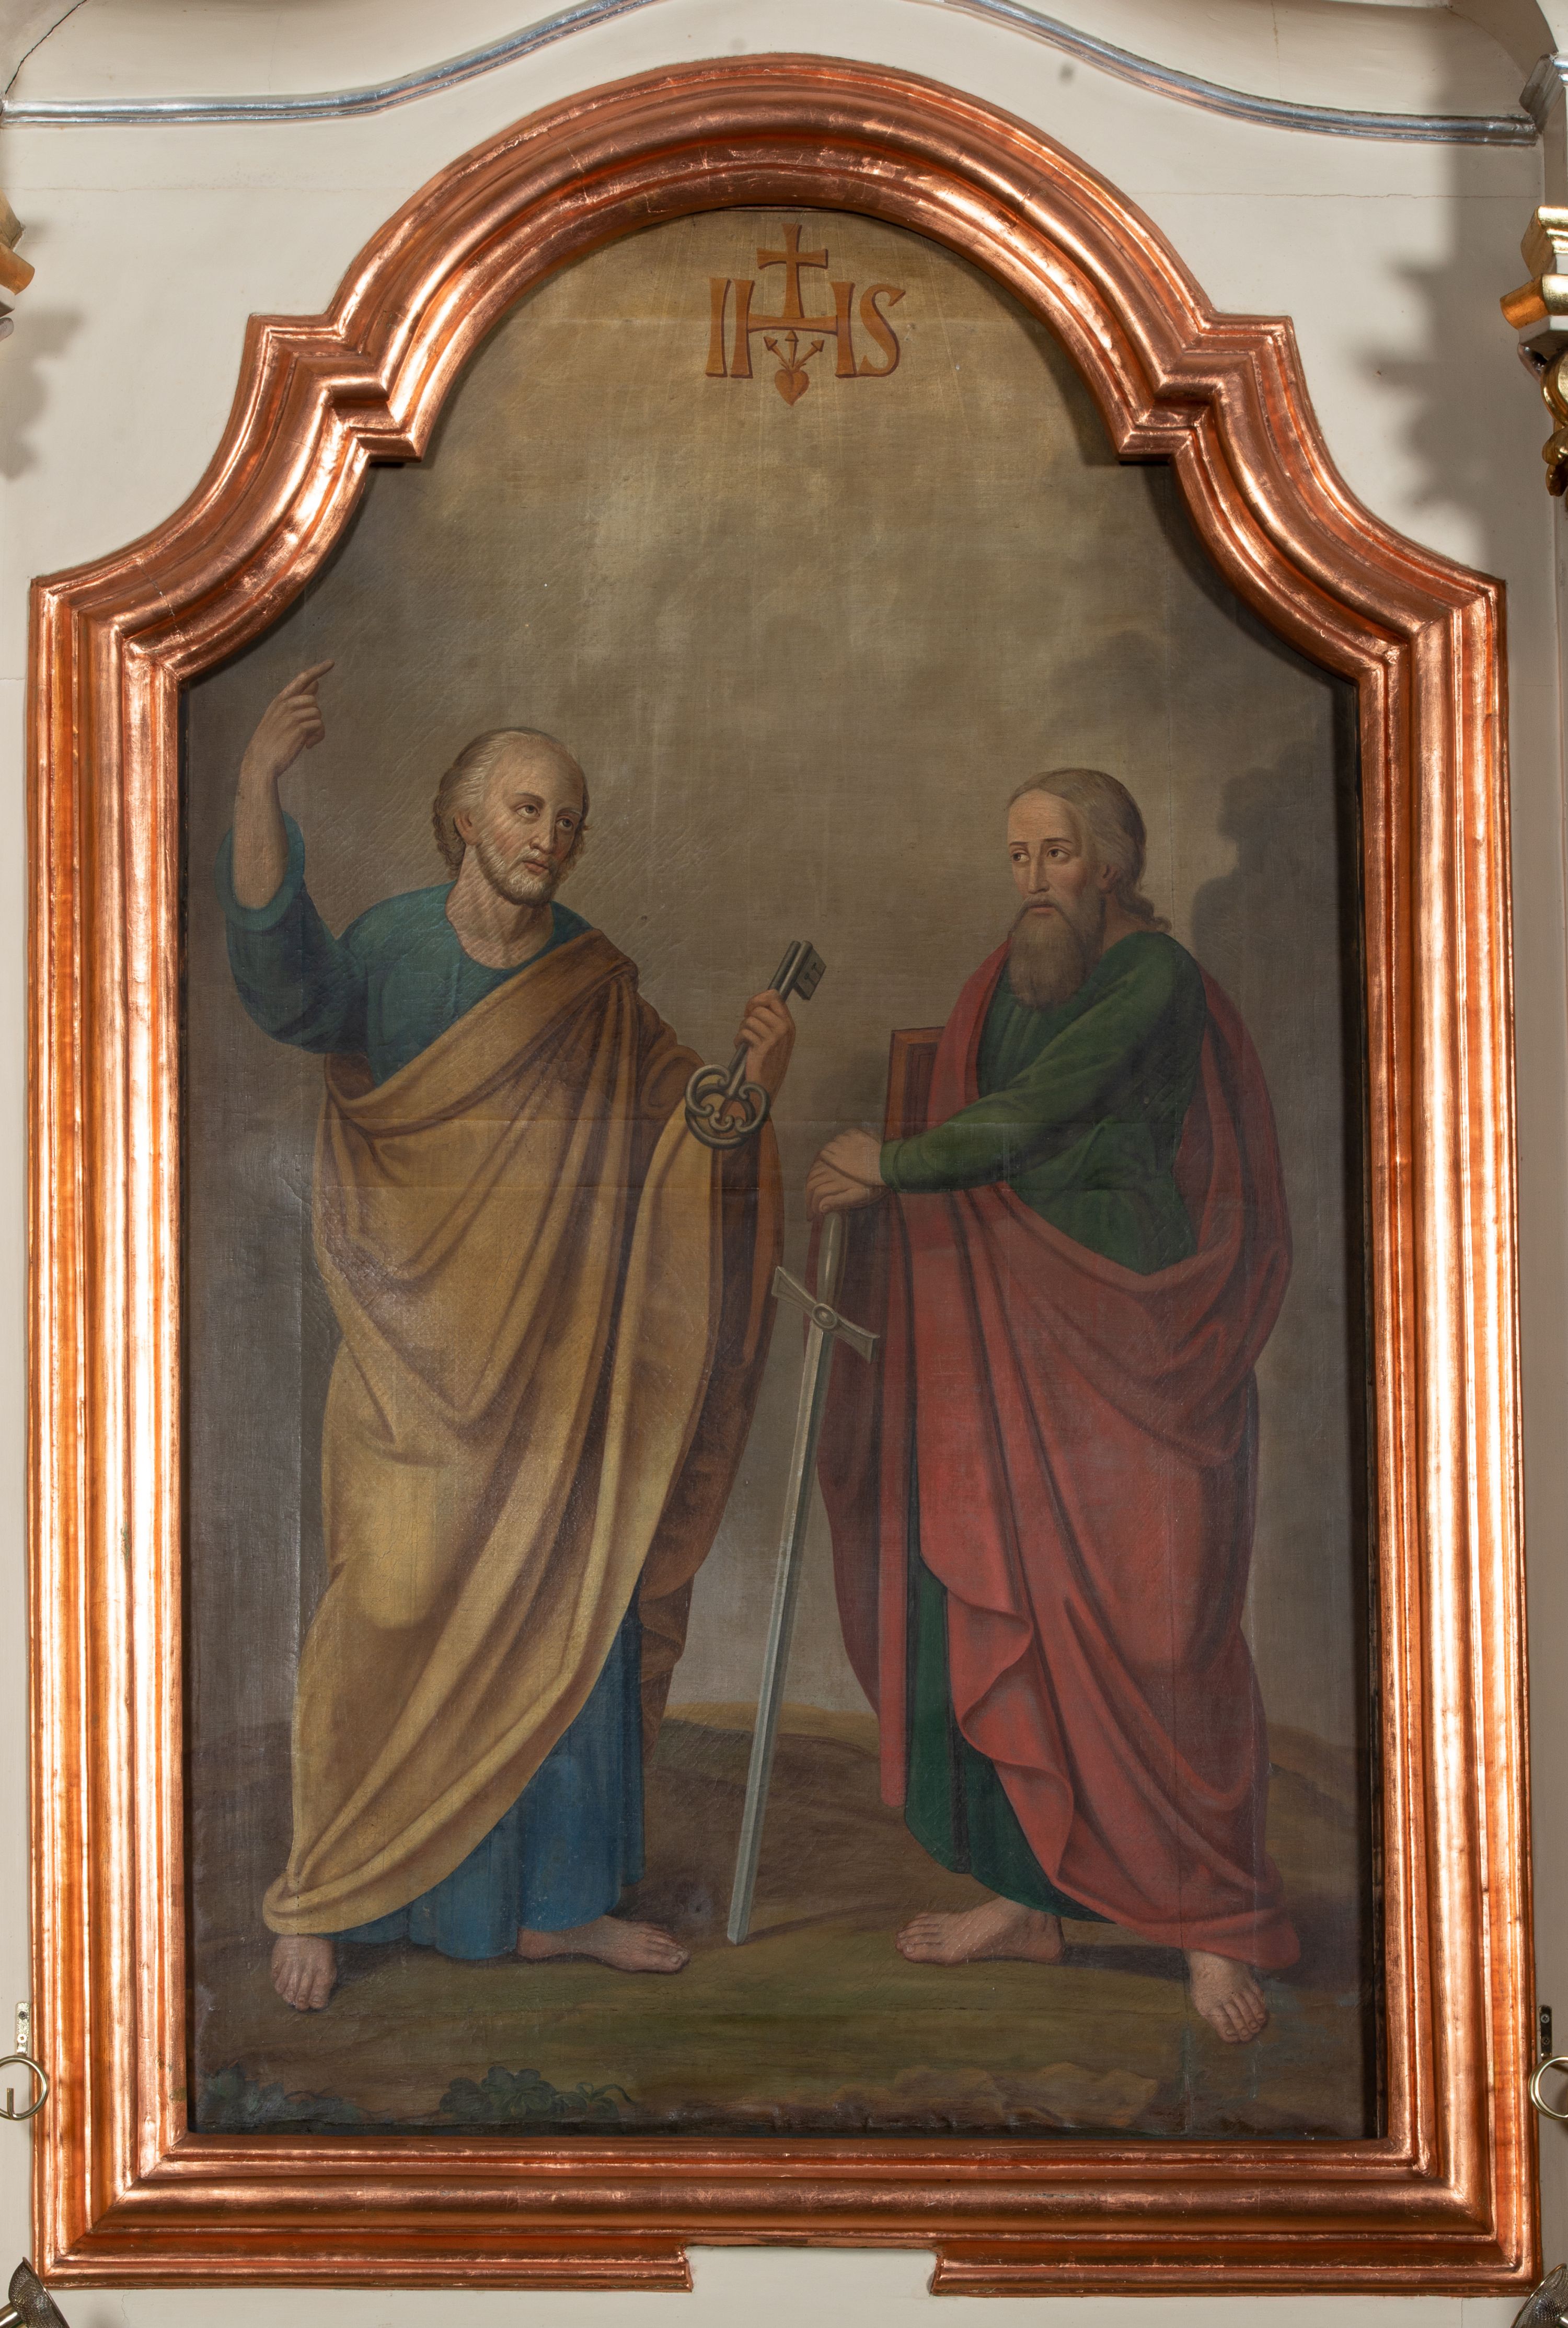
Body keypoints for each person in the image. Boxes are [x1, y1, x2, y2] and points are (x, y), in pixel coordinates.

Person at [219, 662, 793, 2010]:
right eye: (530, 809)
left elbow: (686, 1127)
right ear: (467, 820)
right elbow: (285, 993)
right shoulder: (389, 951)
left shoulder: (595, 981)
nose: (551, 837)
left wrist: (752, 1088)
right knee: (385, 1604)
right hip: (409, 1357)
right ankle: (332, 1887)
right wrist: (255, 785)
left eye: (569, 819)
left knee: (571, 1610)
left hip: (555, 1367)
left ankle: (556, 1907)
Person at [809, 768, 1295, 2045]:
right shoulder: (1011, 977)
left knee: (1158, 1622)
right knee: (1024, 1596)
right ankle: (1035, 1902)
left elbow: (1038, 1110)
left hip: (1136, 1319)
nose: (1033, 879)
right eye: (1019, 855)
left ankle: (1207, 1920)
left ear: (1113, 866)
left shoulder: (1153, 977)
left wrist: (894, 1164)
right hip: (1012, 1326)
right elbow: (985, 1100)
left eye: (1058, 854)